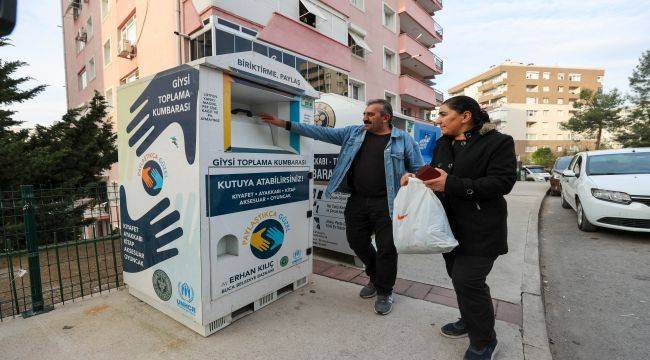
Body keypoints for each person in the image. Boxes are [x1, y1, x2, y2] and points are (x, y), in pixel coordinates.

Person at [260, 99, 423, 315]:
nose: (365, 117)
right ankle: (375, 276)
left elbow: (418, 169)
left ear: (386, 117)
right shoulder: (354, 133)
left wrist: (410, 176)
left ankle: (384, 291)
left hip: (388, 202)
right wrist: (284, 124)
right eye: (365, 113)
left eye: (371, 114)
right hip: (357, 199)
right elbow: (318, 132)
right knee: (356, 241)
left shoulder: (403, 139)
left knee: (386, 249)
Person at [401, 96, 516, 360]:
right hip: (448, 229)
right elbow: (437, 174)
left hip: (482, 231)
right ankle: (468, 320)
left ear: (465, 116)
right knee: (459, 279)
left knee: (468, 281)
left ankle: (485, 341)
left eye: (443, 114)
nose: (438, 120)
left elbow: (502, 184)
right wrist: (416, 178)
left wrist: (450, 184)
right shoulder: (443, 143)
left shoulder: (499, 142)